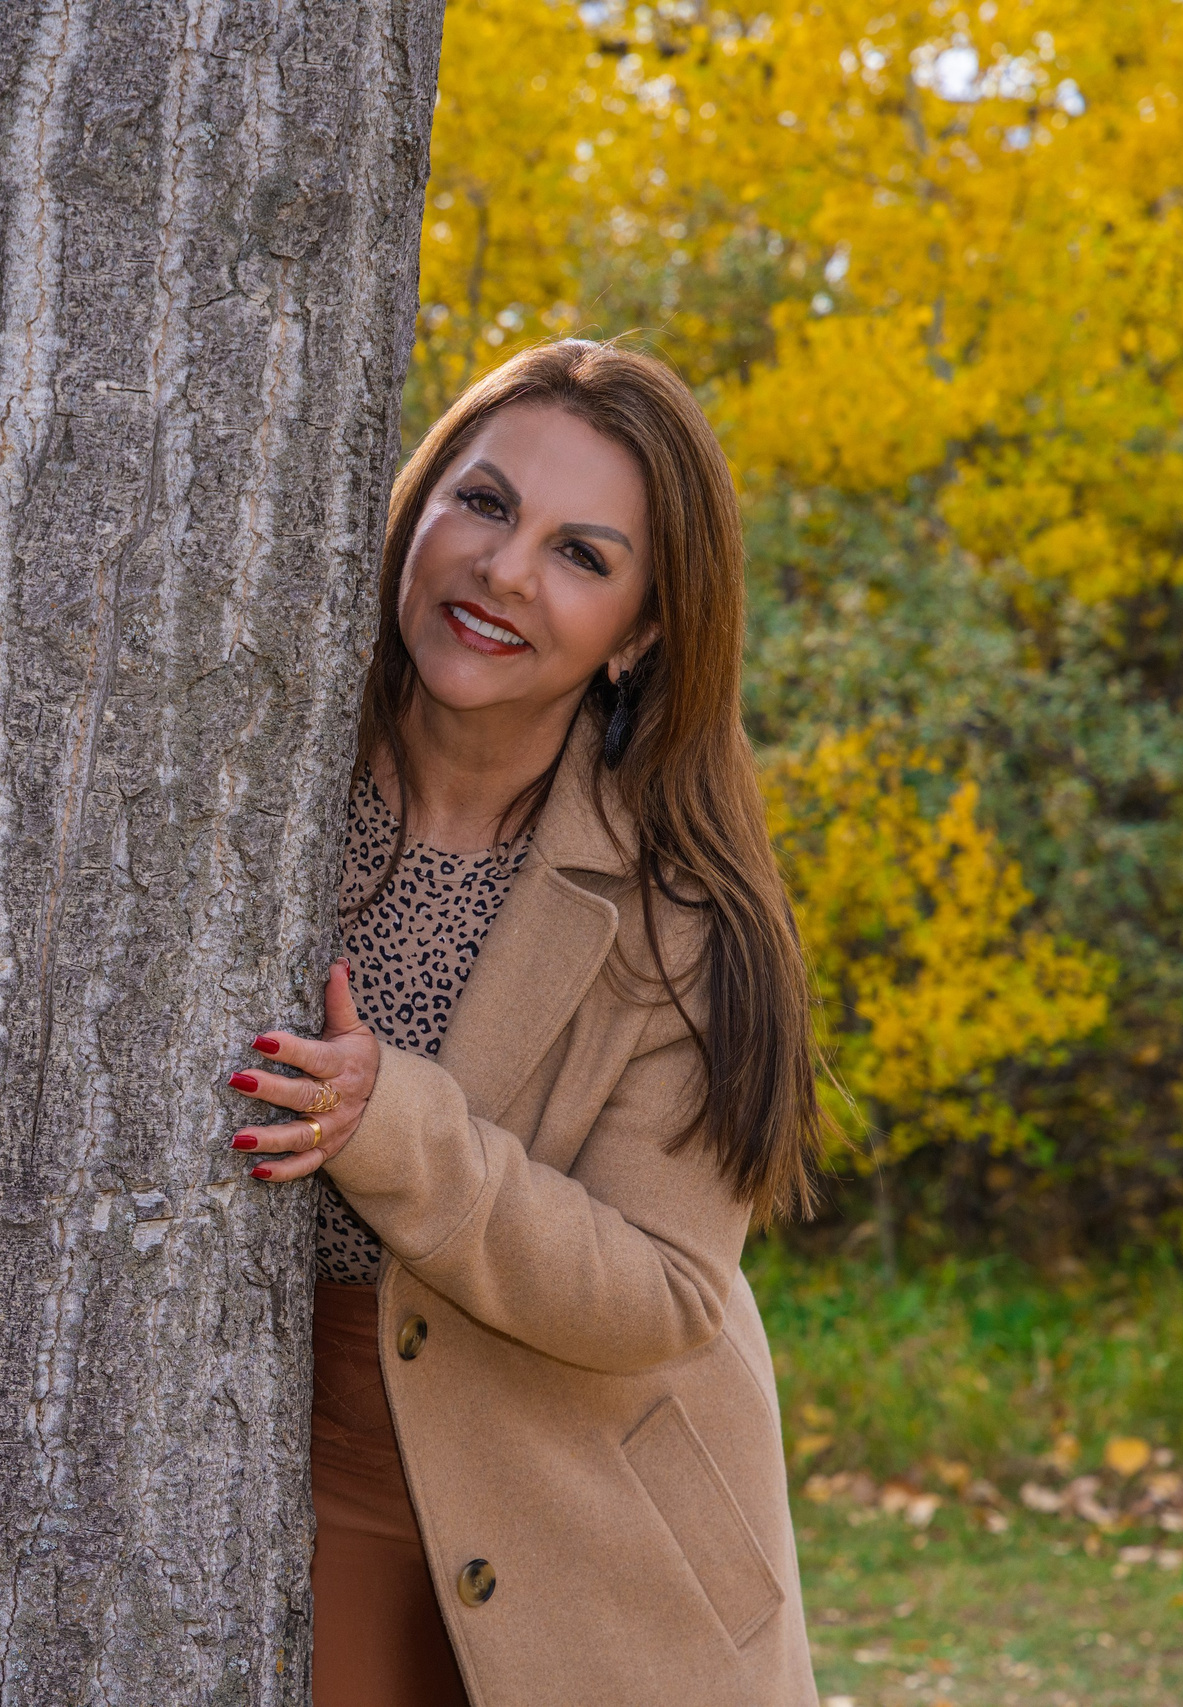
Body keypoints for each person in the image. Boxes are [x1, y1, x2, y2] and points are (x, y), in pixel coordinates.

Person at [223, 340, 822, 1706]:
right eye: (483, 504)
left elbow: (670, 1288)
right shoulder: (244, 791)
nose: (503, 572)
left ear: (646, 630)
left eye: (581, 554)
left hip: (599, 1539)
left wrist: (396, 1126)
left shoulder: (695, 916)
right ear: (417, 508)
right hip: (290, 1493)